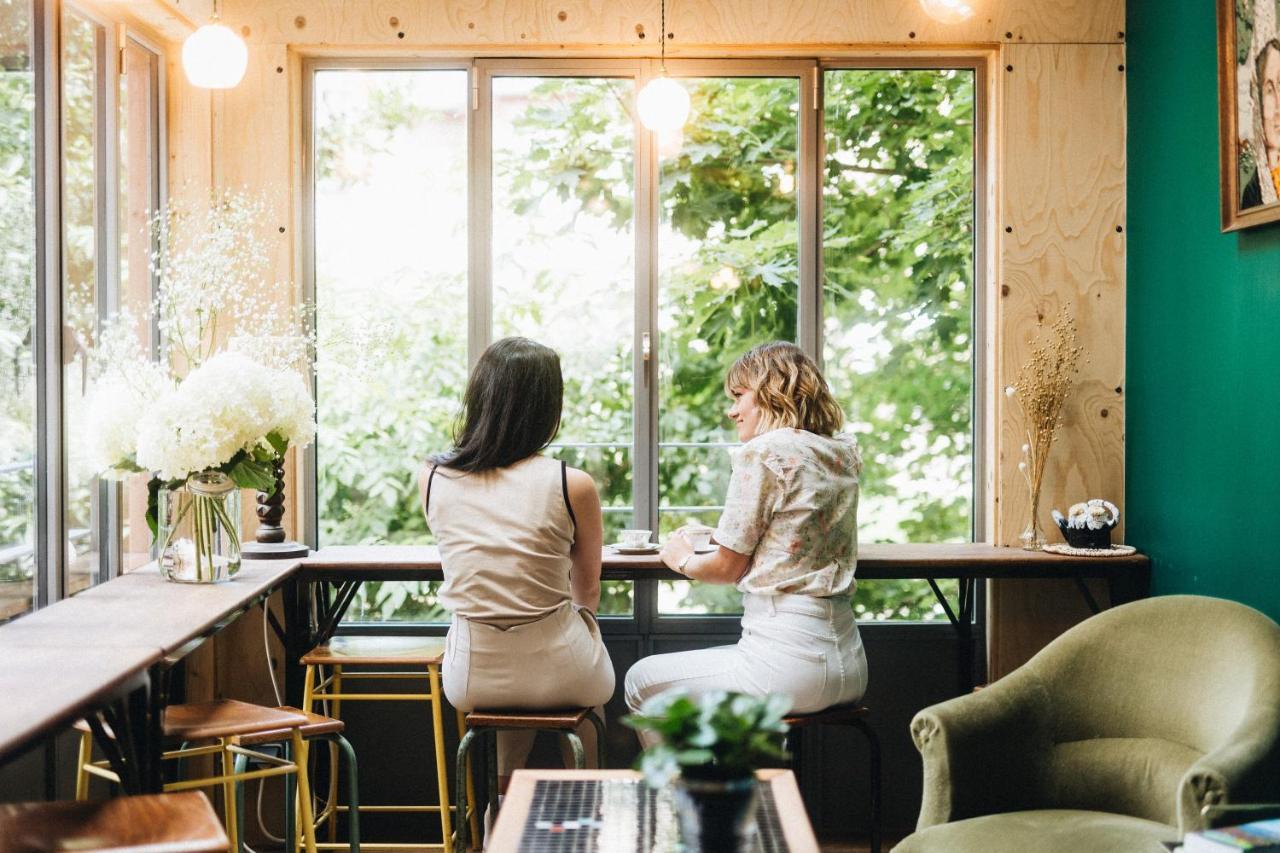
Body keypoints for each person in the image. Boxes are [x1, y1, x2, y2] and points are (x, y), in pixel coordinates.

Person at [624, 341, 868, 725]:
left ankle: (683, 787)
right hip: (850, 665)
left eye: (739, 396)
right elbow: (799, 529)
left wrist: (682, 559)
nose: (731, 409)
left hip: (788, 667)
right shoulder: (840, 452)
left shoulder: (764, 451)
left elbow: (725, 567)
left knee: (641, 681)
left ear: (773, 392)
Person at [422, 337, 614, 784]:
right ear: (548, 407)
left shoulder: (432, 477)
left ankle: (503, 810)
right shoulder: (572, 484)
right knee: (574, 670)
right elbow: (587, 589)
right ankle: (592, 801)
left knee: (513, 680)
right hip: (563, 672)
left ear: (479, 398)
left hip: (472, 677)